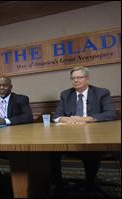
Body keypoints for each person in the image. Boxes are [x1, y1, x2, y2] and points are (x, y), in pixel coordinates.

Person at [51, 66, 116, 195]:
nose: (76, 80)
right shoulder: (66, 94)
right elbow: (56, 116)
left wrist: (87, 119)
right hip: (69, 135)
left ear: (87, 79)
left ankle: (90, 185)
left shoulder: (101, 93)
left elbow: (111, 113)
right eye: (73, 78)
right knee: (51, 152)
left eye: (79, 77)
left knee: (91, 152)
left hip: (94, 135)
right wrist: (66, 119)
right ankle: (58, 186)